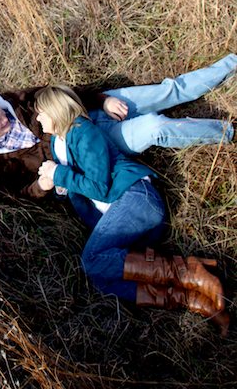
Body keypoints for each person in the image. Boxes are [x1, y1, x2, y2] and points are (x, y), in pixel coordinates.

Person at [33, 85, 228, 334]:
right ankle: (192, 299)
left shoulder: (82, 131)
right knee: (100, 277)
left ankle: (190, 273)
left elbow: (100, 187)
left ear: (54, 110)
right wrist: (59, 186)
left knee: (91, 261)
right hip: (124, 219)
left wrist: (59, 174)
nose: (38, 119)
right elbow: (81, 182)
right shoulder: (60, 143)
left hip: (136, 198)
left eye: (41, 113)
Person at [0, 53, 236, 201]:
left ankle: (230, 63)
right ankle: (227, 132)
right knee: (155, 127)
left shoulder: (14, 101)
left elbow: (61, 94)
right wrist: (44, 185)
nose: (6, 119)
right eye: (0, 124)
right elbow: (18, 194)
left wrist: (103, 100)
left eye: (3, 114)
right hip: (97, 148)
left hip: (93, 111)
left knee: (168, 91)